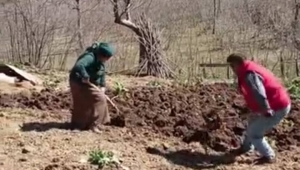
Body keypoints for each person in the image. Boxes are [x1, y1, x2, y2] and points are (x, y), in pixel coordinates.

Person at [226, 53, 291, 164]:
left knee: (254, 132)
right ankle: (246, 148)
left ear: (236, 64)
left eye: (232, 66)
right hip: (275, 103)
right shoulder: (249, 67)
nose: (232, 70)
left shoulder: (249, 74)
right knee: (251, 123)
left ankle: (269, 156)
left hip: (276, 106)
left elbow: (258, 92)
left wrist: (265, 109)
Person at [69, 42, 115, 132]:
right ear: (102, 55)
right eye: (107, 57)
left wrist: (102, 86)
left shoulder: (100, 62)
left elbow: (102, 75)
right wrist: (85, 75)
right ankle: (80, 125)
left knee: (99, 98)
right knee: (96, 99)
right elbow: (79, 65)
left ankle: (98, 123)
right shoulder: (90, 57)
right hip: (78, 82)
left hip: (89, 83)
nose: (107, 59)